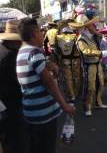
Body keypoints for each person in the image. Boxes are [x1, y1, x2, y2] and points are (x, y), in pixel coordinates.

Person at [16, 18, 75, 153]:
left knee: (36, 148)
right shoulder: (34, 52)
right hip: (43, 114)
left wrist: (52, 68)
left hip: (31, 112)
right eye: (40, 31)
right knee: (46, 148)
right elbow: (48, 82)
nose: (43, 34)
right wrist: (64, 105)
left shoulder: (22, 51)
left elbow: (38, 76)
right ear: (35, 33)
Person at [72, 14, 107, 116]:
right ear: (84, 27)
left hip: (97, 63)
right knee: (90, 87)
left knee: (101, 84)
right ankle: (87, 107)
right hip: (89, 65)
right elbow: (86, 51)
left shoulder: (92, 36)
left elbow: (100, 36)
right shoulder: (81, 39)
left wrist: (94, 31)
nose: (92, 26)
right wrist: (101, 53)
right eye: (89, 25)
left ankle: (98, 102)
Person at [0, 20, 23, 153]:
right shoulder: (11, 56)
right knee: (16, 141)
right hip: (12, 106)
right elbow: (19, 83)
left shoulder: (3, 50)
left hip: (4, 104)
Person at [55, 20, 81, 102]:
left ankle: (71, 95)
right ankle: (77, 93)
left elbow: (57, 50)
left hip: (65, 59)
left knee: (68, 78)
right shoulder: (75, 36)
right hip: (75, 59)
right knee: (77, 77)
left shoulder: (58, 37)